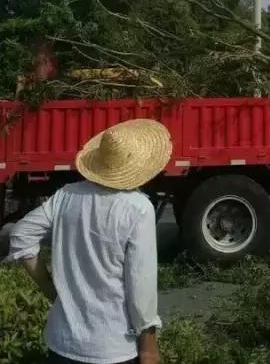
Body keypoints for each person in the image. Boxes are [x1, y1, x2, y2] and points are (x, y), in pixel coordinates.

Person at [5, 118, 172, 364]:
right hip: (113, 347)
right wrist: (148, 344)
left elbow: (21, 235)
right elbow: (141, 285)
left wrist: (51, 290)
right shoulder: (138, 208)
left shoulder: (65, 195)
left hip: (62, 342)